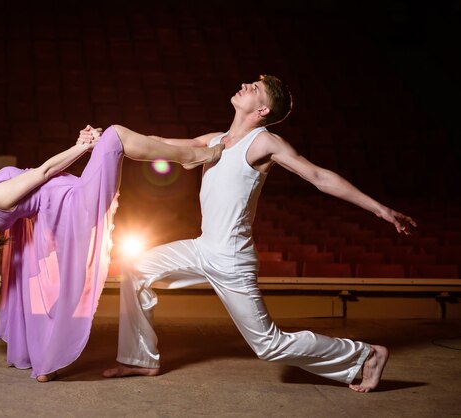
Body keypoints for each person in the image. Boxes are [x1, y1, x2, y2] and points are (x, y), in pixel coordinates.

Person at [102, 74, 418, 393]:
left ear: (263, 109)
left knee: (268, 346)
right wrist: (107, 142)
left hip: (232, 258)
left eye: (255, 88)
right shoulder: (215, 140)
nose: (245, 86)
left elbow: (319, 176)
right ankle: (140, 358)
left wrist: (379, 208)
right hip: (202, 248)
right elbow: (161, 143)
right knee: (135, 267)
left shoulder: (265, 142)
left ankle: (368, 354)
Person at [0, 125, 224, 382]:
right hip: (73, 205)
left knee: (122, 141)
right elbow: (45, 170)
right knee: (115, 136)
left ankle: (190, 149)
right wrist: (82, 146)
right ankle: (189, 156)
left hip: (61, 204)